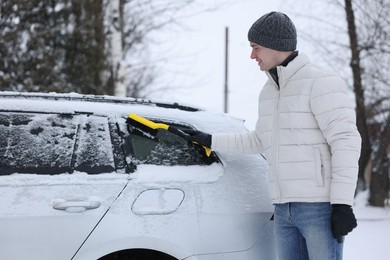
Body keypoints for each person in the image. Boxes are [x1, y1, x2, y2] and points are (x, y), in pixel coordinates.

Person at [184, 11, 362, 260]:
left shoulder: (321, 82)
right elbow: (258, 140)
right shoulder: (269, 91)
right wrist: (210, 140)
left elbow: (346, 140)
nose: (252, 56)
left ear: (275, 45)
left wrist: (343, 203)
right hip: (282, 208)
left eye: (255, 48)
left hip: (318, 208)